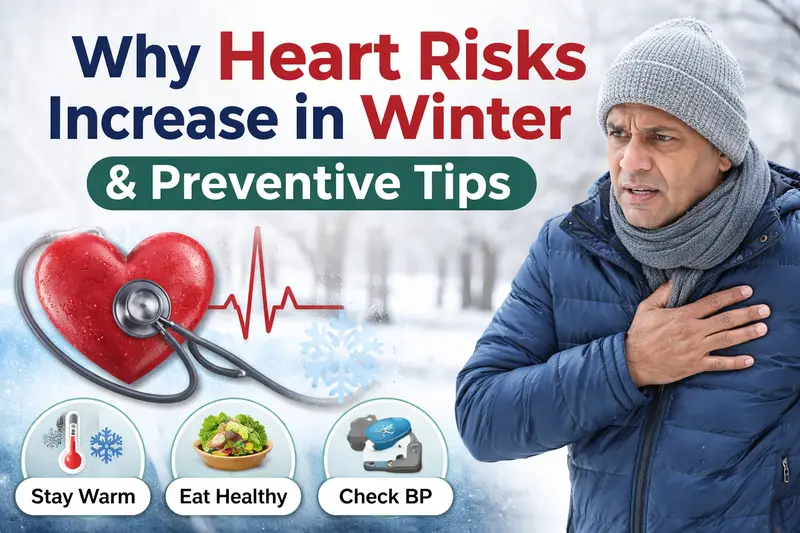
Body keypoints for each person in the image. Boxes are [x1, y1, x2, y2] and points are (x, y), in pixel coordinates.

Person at [455, 17, 800, 533]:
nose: (631, 161)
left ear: (722, 150)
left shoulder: (789, 251)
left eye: (662, 137)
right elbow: (482, 418)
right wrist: (626, 364)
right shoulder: (569, 247)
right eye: (618, 133)